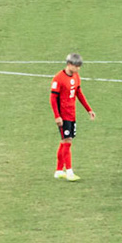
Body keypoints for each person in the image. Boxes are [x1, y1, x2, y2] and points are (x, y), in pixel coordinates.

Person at [49, 52, 95, 181]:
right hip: (63, 116)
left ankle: (58, 171)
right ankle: (69, 171)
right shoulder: (58, 79)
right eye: (76, 66)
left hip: (71, 114)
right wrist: (57, 116)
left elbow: (78, 93)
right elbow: (53, 99)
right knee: (68, 142)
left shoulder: (76, 77)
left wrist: (88, 109)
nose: (78, 68)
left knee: (64, 142)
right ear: (69, 65)